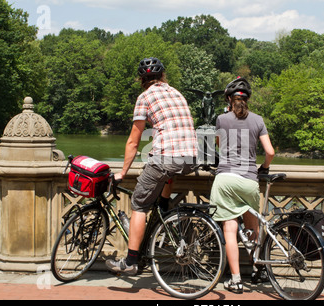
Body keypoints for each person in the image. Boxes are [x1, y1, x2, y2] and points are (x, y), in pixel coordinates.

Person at [106, 57, 198, 275]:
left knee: (139, 203)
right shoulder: (177, 93)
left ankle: (130, 261)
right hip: (192, 157)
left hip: (168, 157)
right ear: (162, 76)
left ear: (141, 79)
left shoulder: (145, 97)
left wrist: (122, 173)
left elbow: (133, 141)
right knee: (166, 171)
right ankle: (164, 207)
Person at [210, 77, 275, 293]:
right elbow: (270, 152)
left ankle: (236, 279)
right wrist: (264, 168)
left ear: (229, 99)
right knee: (252, 227)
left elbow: (218, 145)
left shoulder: (221, 118)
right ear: (247, 99)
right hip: (249, 179)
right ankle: (258, 269)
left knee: (230, 228)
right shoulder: (258, 120)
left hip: (226, 179)